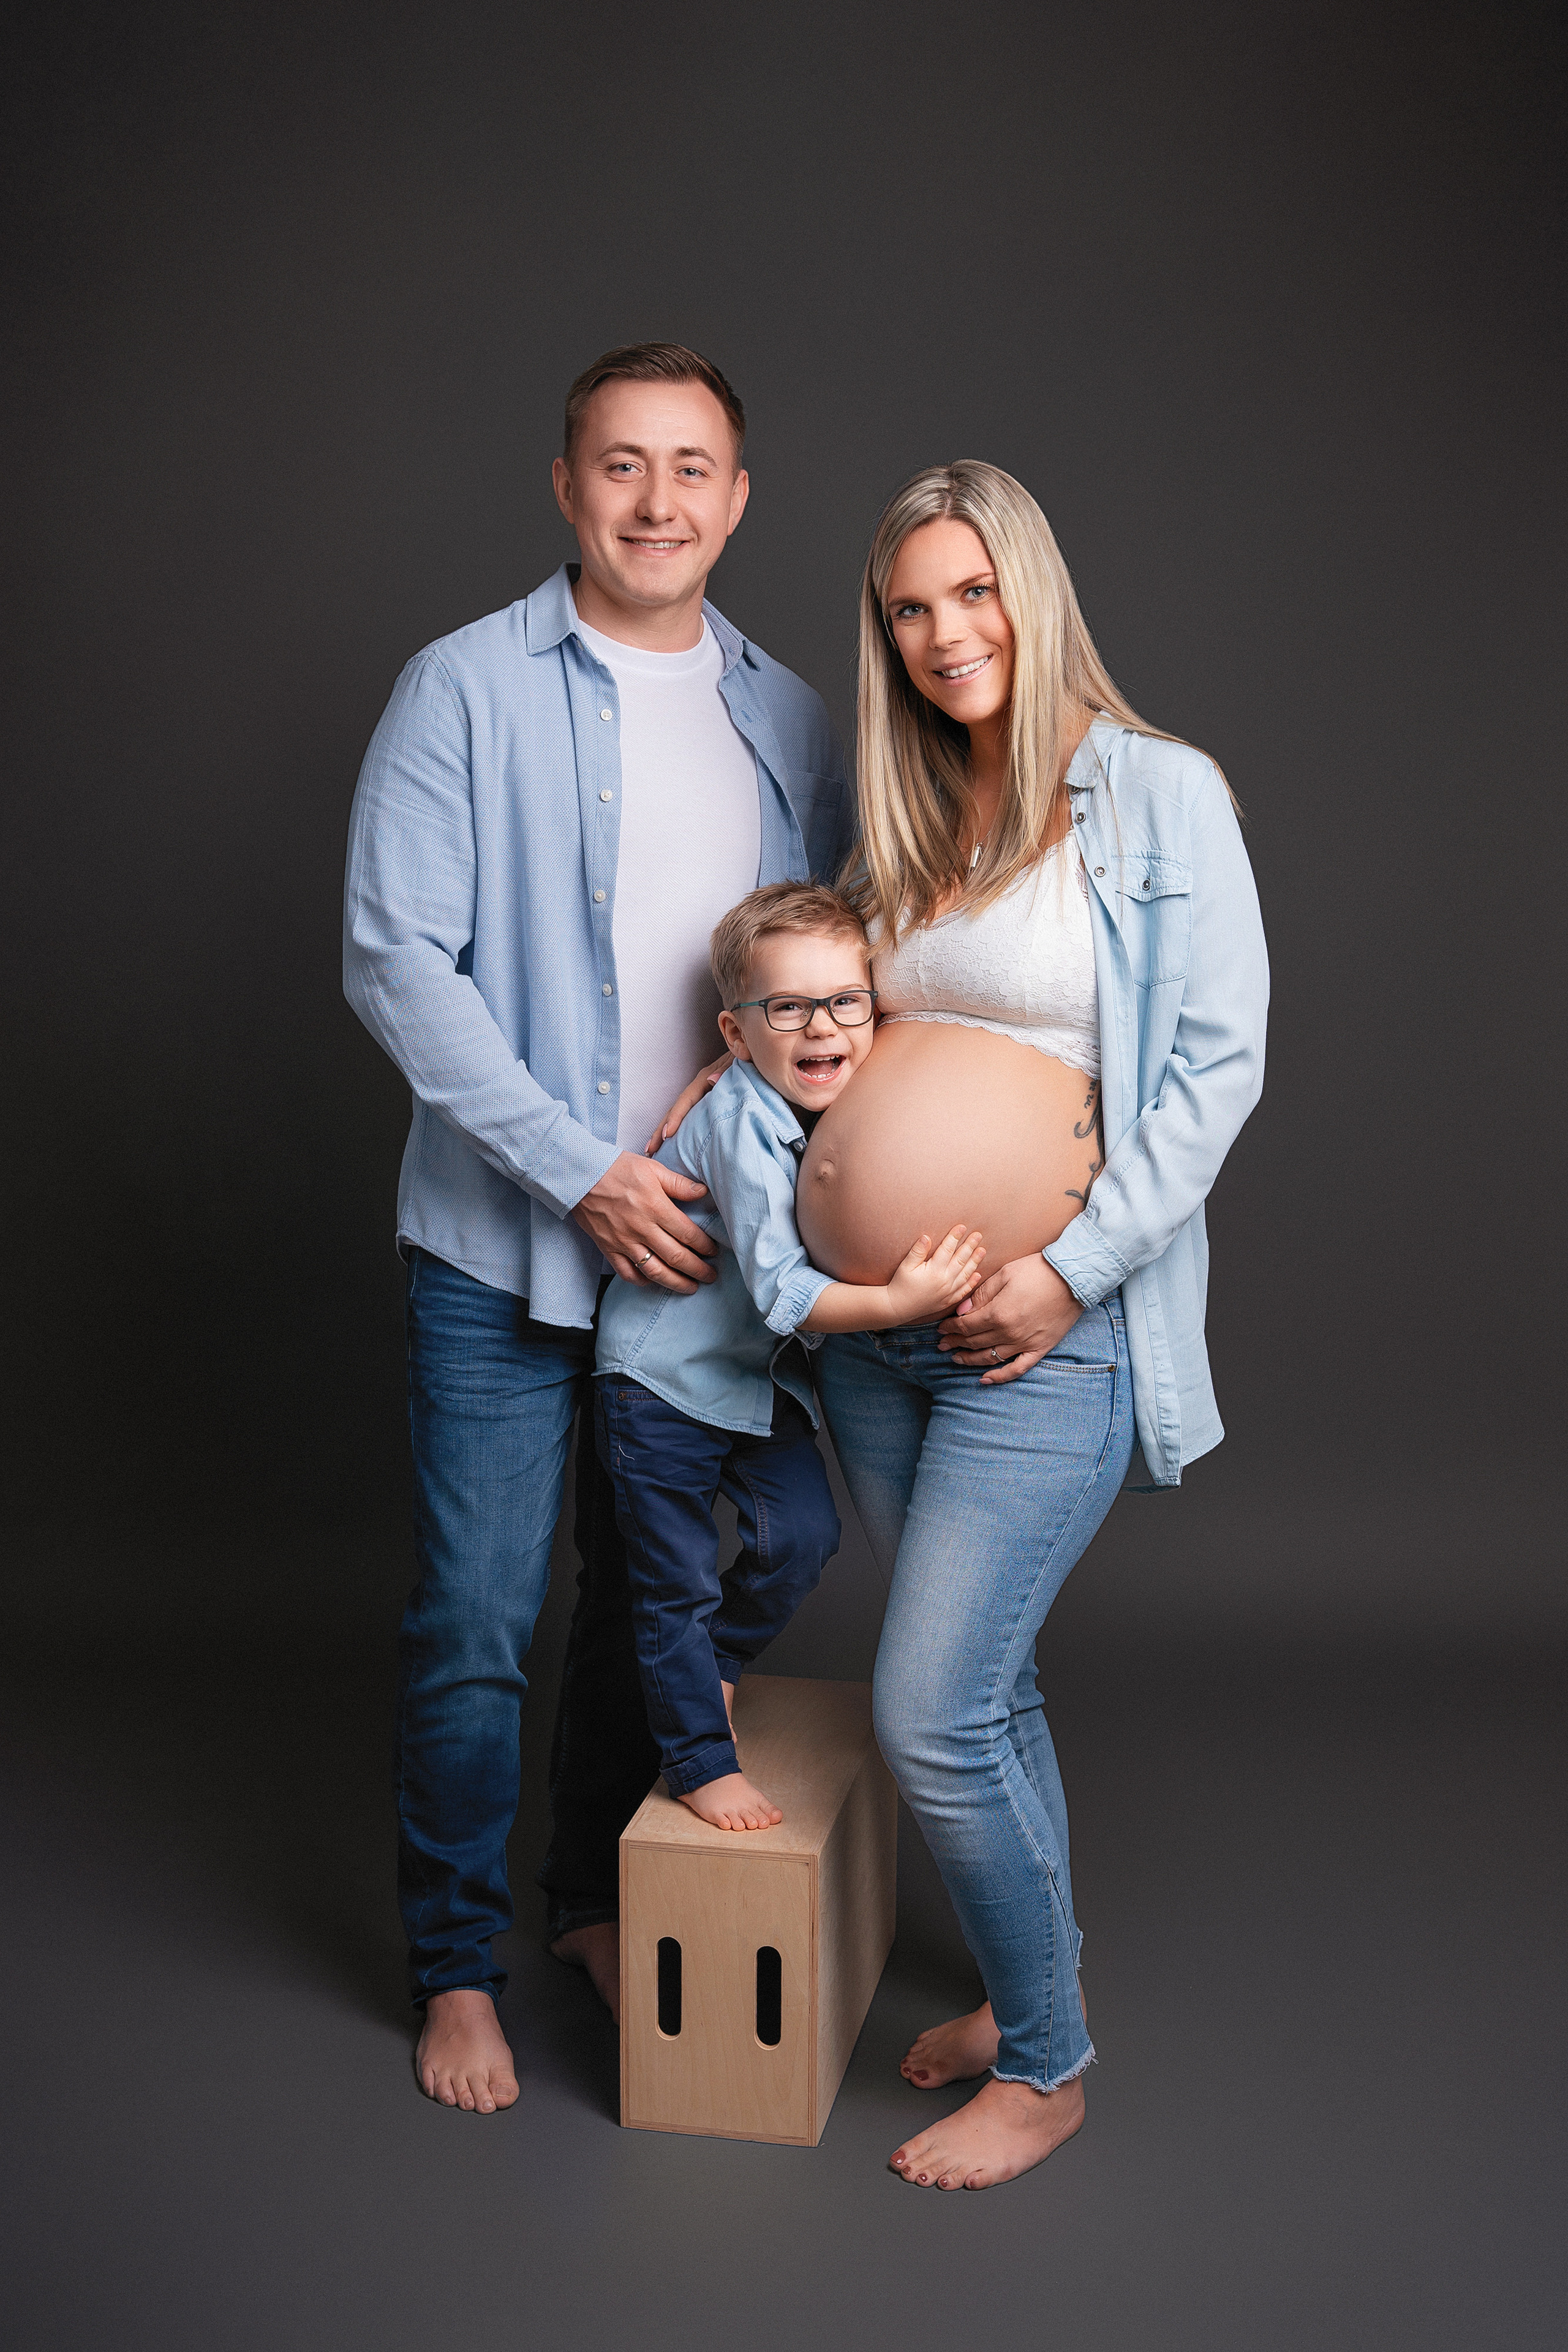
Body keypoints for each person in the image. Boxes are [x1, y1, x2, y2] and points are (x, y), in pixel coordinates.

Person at [341, 344, 850, 2113]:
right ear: (566, 487)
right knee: (477, 1621)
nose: (657, 501)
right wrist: (581, 1172)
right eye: (621, 465)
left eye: (692, 467)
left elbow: (824, 980)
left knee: (668, 1585)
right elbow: (397, 962)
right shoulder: (460, 687)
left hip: (702, 1271)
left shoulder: (792, 718)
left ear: (737, 497)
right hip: (503, 1248)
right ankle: (456, 1968)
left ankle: (584, 1899)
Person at [797, 461, 1267, 2188]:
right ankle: (1026, 1989)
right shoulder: (910, 814)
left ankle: (1049, 2073)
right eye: (909, 610)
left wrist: (1067, 1271)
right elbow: (835, 1030)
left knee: (930, 1708)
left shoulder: (1159, 793)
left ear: (1032, 590)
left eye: (971, 592)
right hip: (881, 1342)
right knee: (988, 1692)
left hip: (1046, 1336)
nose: (943, 634)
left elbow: (1215, 1071)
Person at [594, 883, 985, 1831]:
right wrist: (898, 1304)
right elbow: (779, 1290)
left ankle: (716, 1665)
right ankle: (697, 1759)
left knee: (802, 1536)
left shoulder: (832, 1106)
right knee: (674, 1581)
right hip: (660, 1382)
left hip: (752, 1380)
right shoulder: (742, 1122)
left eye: (847, 1002)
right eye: (789, 1009)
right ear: (736, 1035)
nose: (823, 1027)